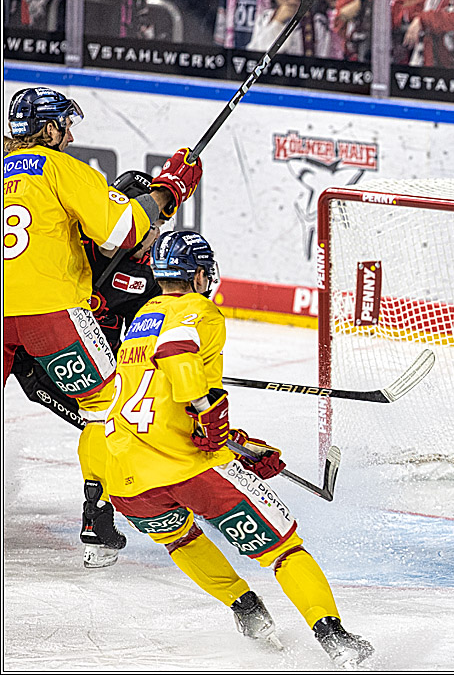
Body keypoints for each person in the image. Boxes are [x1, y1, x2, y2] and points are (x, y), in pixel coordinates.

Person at [103, 231, 373, 665]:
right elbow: (176, 355)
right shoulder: (198, 309)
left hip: (125, 473)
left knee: (180, 539)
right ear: (197, 275)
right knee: (284, 550)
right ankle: (335, 638)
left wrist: (239, 444)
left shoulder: (141, 319)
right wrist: (208, 413)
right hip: (188, 467)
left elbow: (159, 406)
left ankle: (246, 609)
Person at [3, 86, 201, 568]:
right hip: (49, 311)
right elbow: (123, 229)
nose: (70, 136)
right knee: (107, 410)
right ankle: (97, 520)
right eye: (66, 126)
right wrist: (169, 191)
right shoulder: (58, 168)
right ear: (49, 128)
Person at [9, 170, 162, 433]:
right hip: (39, 361)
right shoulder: (74, 243)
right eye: (154, 225)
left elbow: (146, 334)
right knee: (112, 427)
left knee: (118, 427)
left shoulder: (147, 276)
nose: (158, 235)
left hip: (94, 369)